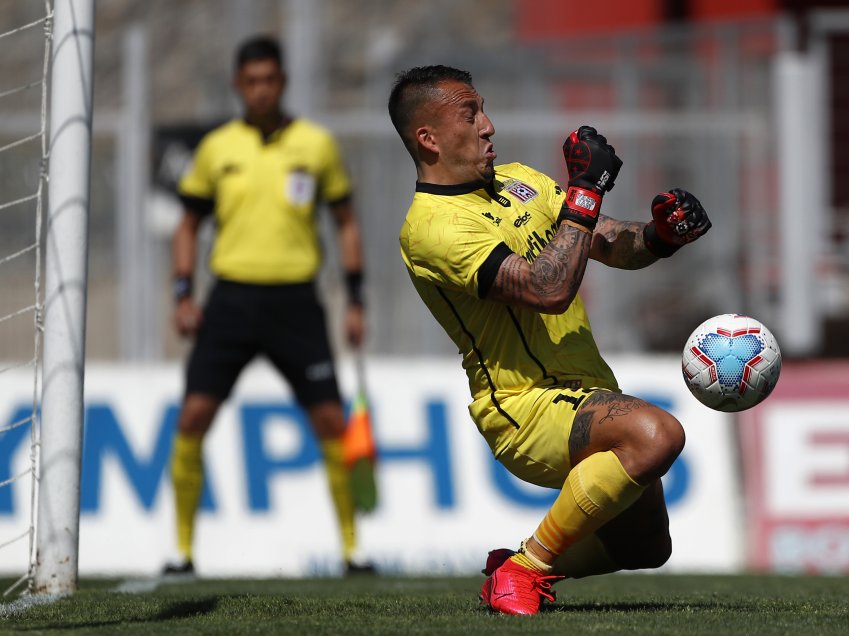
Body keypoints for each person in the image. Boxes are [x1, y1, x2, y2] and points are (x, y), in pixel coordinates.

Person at [390, 66, 711, 615]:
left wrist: (659, 235)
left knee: (647, 547)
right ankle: (524, 571)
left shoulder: (520, 180)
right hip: (524, 407)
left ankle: (510, 565)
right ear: (429, 137)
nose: (488, 126)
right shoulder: (432, 227)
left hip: (586, 390)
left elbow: (609, 243)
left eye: (484, 109)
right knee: (658, 435)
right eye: (470, 114)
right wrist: (584, 191)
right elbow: (547, 289)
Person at [165, 35, 372, 576]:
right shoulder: (218, 148)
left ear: (282, 82)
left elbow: (346, 224)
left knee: (331, 419)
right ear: (239, 85)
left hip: (296, 302)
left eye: (269, 80)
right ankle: (182, 551)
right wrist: (182, 291)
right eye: (251, 81)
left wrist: (355, 300)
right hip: (230, 299)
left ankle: (353, 550)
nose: (260, 90)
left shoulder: (316, 144)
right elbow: (186, 226)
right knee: (193, 416)